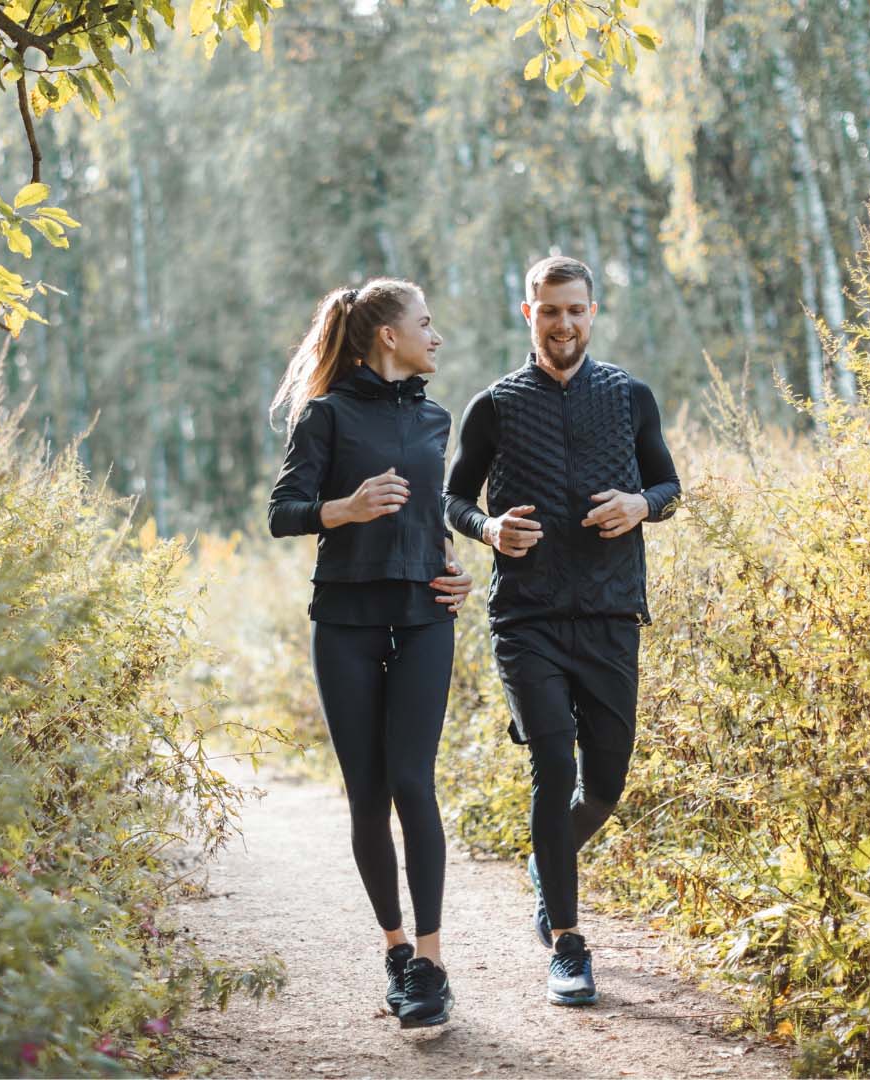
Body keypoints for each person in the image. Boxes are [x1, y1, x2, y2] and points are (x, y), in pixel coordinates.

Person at [443, 255, 681, 1006]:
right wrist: (487, 529)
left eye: (575, 309)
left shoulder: (629, 395)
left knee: (605, 783)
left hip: (612, 612)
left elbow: (668, 484)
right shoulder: (496, 405)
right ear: (528, 315)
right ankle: (569, 947)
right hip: (528, 616)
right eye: (550, 311)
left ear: (593, 310)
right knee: (554, 764)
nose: (564, 323)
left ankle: (550, 865)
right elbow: (452, 499)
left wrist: (643, 505)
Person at [266, 278, 473, 1029]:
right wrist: (344, 509)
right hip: (347, 619)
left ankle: (431, 964)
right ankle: (394, 948)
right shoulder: (324, 416)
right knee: (368, 792)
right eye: (426, 322)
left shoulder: (435, 418)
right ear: (389, 335)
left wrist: (455, 568)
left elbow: (430, 516)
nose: (436, 335)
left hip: (425, 616)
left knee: (413, 782)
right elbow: (282, 512)